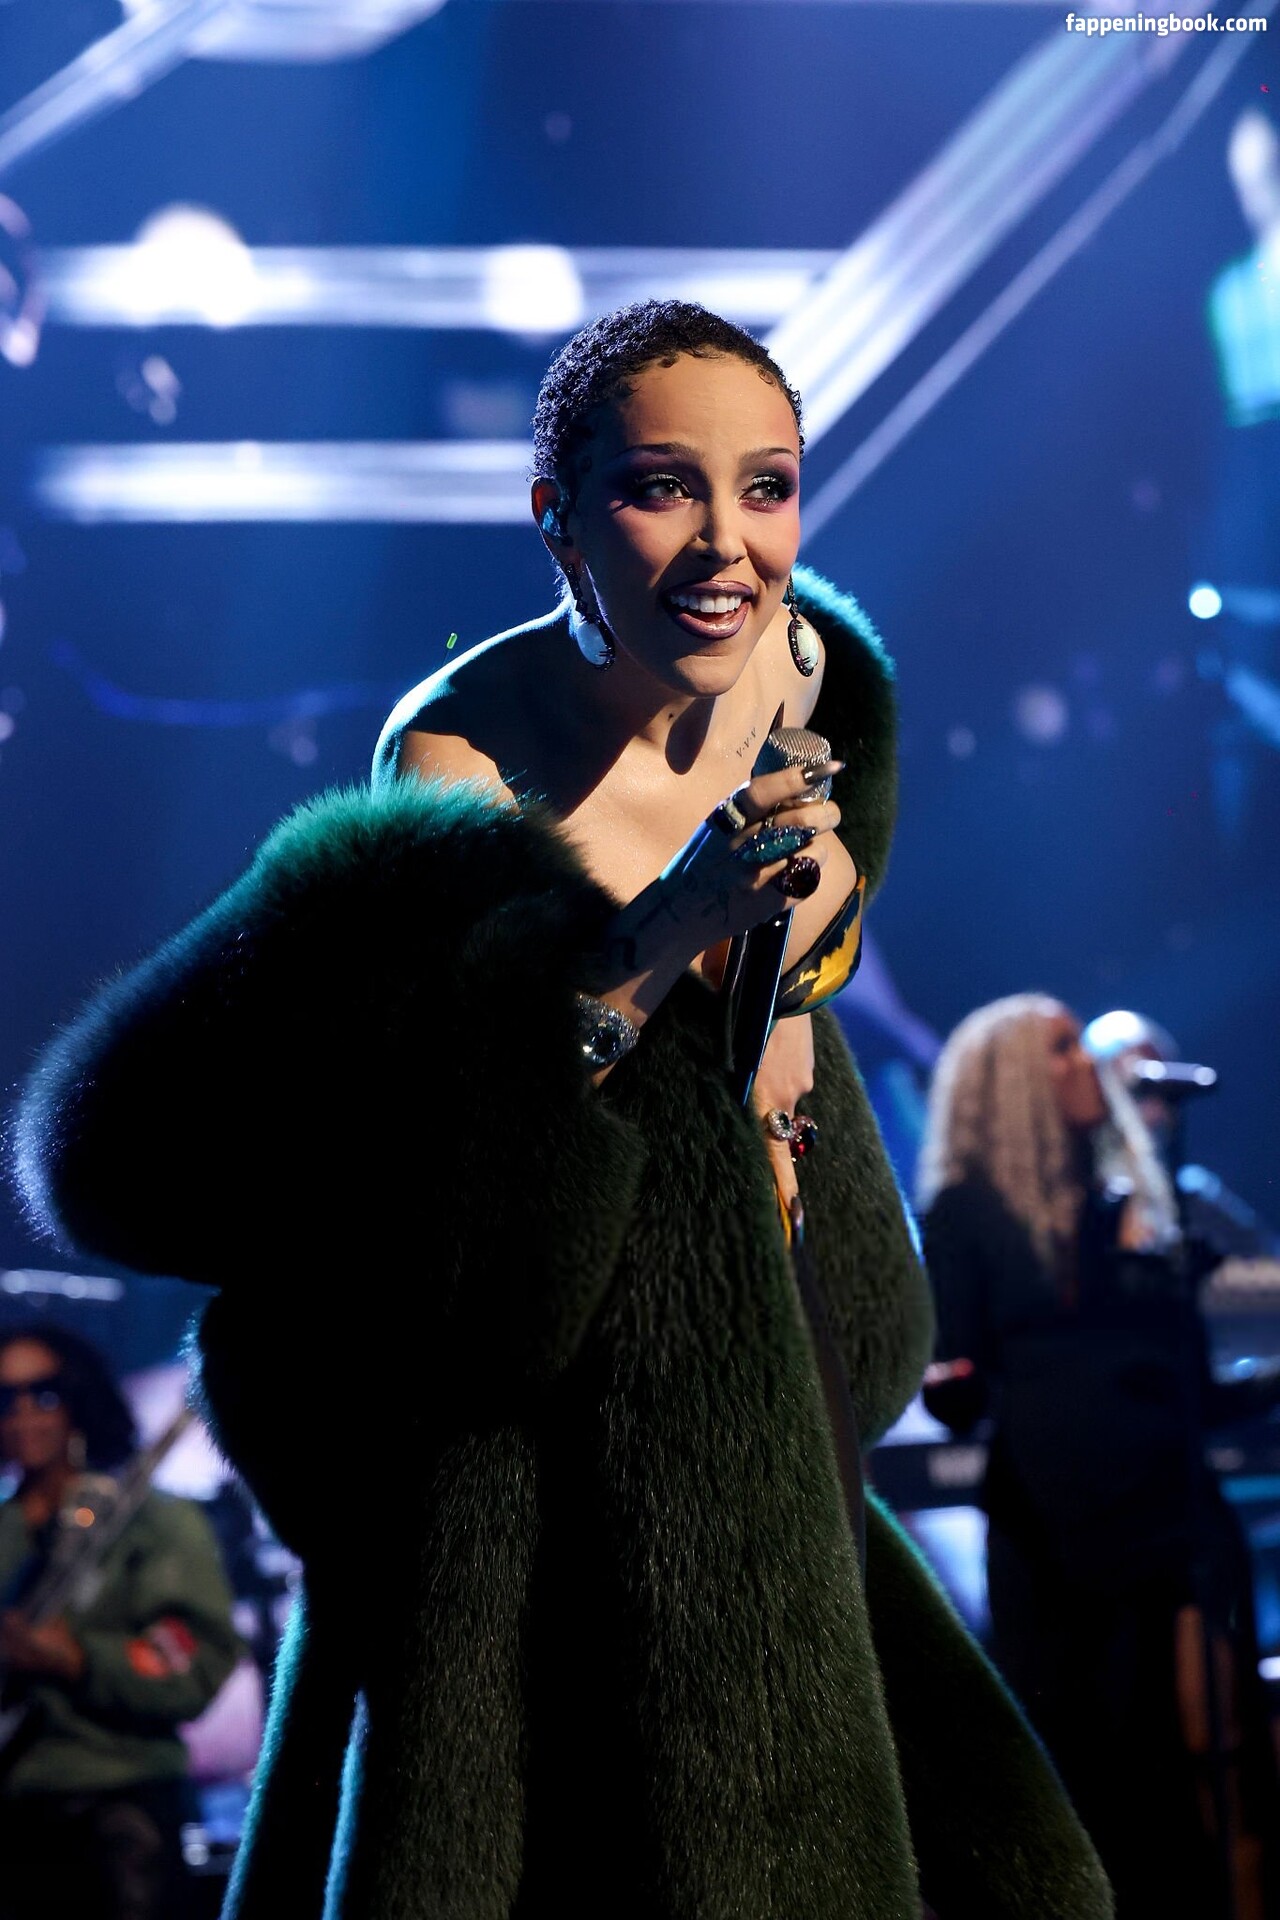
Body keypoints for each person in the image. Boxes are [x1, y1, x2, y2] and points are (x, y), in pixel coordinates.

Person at [15, 303, 1111, 1918]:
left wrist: (789, 984)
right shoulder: (453, 773)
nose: (728, 546)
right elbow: (469, 1209)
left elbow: (810, 964)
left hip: (786, 1416)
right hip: (533, 1506)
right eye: (663, 487)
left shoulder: (814, 679)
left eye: (768, 485)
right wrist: (663, 939)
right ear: (560, 518)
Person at [918, 994, 1280, 1920]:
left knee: (1224, 1760)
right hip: (1059, 1540)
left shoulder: (1142, 1210)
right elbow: (958, 1386)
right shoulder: (970, 1215)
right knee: (1100, 1779)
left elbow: (1195, 1390)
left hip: (1174, 1521)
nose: (1089, 1063)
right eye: (1065, 1048)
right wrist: (946, 1383)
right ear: (1011, 1082)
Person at [0, 1323, 241, 1920]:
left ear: (78, 1397)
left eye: (44, 1393)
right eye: (5, 1397)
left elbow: (194, 1668)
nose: (24, 1413)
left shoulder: (153, 1523)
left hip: (122, 1816)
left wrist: (77, 1658)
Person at [1083, 1007, 1280, 1261]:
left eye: (1161, 1094)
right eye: (1138, 1092)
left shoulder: (1191, 1197)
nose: (1155, 1113)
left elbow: (1267, 1259)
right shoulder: (1084, 1197)